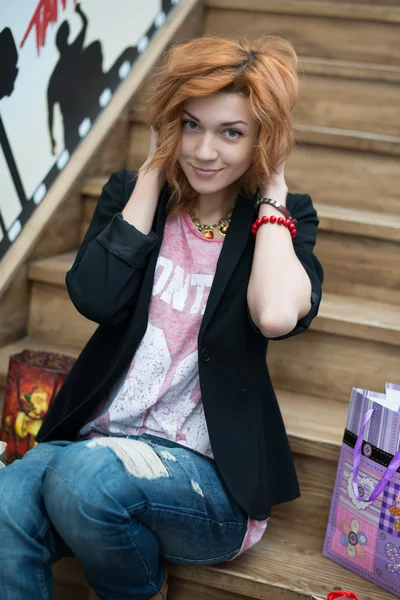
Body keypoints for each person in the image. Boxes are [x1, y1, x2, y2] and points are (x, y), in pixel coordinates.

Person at [0, 36, 323, 600]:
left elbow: (274, 315)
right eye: (190, 125)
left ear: (262, 140)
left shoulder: (282, 220)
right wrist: (152, 171)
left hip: (204, 476)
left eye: (232, 132)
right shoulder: (135, 197)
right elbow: (95, 298)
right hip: (98, 444)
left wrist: (273, 195)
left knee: (84, 479)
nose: (203, 151)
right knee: (6, 500)